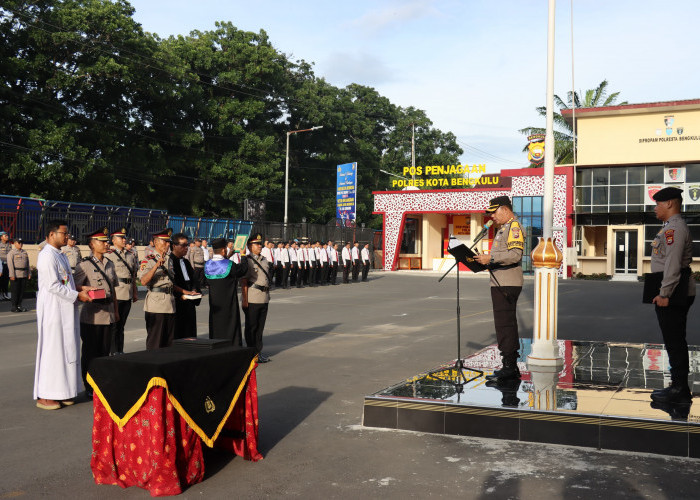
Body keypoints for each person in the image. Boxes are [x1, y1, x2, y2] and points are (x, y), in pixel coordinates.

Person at [34, 220, 93, 410]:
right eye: (63, 233)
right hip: (53, 310)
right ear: (52, 234)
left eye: (67, 234)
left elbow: (65, 282)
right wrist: (77, 295)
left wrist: (81, 288)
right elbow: (52, 285)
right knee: (53, 350)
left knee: (67, 349)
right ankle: (45, 395)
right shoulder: (46, 256)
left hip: (66, 307)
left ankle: (63, 391)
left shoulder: (61, 255)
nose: (67, 237)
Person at [648, 187, 696, 404]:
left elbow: (673, 264)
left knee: (674, 339)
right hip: (669, 285)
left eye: (658, 203)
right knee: (672, 338)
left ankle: (680, 390)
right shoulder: (669, 228)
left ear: (669, 203)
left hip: (674, 290)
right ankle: (678, 385)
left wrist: (665, 293)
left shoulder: (674, 229)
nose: (655, 208)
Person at [475, 196, 525, 383]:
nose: (492, 216)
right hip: (500, 281)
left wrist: (492, 259)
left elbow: (514, 255)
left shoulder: (514, 228)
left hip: (507, 282)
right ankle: (508, 365)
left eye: (494, 212)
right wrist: (485, 261)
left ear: (505, 209)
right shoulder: (504, 228)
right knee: (504, 324)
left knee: (505, 325)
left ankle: (510, 367)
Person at [73, 227, 119, 395]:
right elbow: (74, 287)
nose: (106, 243)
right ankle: (89, 385)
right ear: (92, 244)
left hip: (108, 314)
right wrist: (88, 290)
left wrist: (116, 311)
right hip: (92, 316)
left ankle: (100, 383)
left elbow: (113, 290)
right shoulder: (84, 265)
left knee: (104, 352)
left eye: (106, 241)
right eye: (102, 241)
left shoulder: (110, 263)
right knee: (91, 352)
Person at [205, 237, 249, 345]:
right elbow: (243, 269)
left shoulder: (208, 265)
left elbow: (221, 264)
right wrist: (243, 255)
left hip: (215, 304)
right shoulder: (230, 265)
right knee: (230, 323)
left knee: (216, 323)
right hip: (228, 302)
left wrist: (229, 256)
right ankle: (232, 346)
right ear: (224, 250)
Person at [138, 228, 176, 350]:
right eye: (164, 241)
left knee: (168, 342)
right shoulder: (148, 260)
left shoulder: (170, 259)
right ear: (155, 242)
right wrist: (155, 266)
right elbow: (143, 281)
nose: (168, 244)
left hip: (169, 303)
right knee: (155, 341)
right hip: (156, 304)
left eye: (168, 241)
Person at [105, 228, 138, 354]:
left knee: (122, 325)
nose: (124, 240)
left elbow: (133, 275)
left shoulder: (130, 255)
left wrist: (134, 292)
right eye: (121, 238)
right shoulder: (109, 255)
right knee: (114, 325)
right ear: (113, 240)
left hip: (127, 293)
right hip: (116, 293)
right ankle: (113, 351)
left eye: (125, 237)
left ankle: (120, 350)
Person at [241, 234, 272, 363]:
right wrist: (244, 299)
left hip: (264, 297)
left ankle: (258, 352)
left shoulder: (264, 259)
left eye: (260, 244)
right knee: (251, 327)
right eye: (256, 244)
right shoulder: (247, 260)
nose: (259, 246)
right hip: (252, 297)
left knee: (260, 328)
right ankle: (250, 353)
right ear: (249, 246)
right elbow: (244, 281)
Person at [170, 233, 201, 339]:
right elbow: (170, 283)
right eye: (183, 245)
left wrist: (194, 289)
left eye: (187, 245)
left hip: (189, 300)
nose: (186, 248)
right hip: (178, 300)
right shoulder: (170, 261)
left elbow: (193, 279)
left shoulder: (186, 262)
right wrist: (181, 295)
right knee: (179, 331)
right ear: (174, 246)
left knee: (190, 329)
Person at [7, 238, 31, 312]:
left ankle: (19, 305)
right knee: (15, 291)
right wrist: (12, 275)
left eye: (21, 243)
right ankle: (14, 306)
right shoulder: (11, 253)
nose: (20, 244)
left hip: (23, 274)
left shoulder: (24, 252)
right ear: (14, 243)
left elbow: (28, 264)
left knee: (21, 291)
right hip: (16, 274)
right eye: (19, 243)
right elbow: (10, 265)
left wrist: (29, 273)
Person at [0, 231, 10, 301]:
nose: (7, 236)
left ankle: (5, 294)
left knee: (6, 280)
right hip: (0, 264)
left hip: (7, 264)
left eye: (7, 235)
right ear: (1, 237)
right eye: (5, 236)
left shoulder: (9, 245)